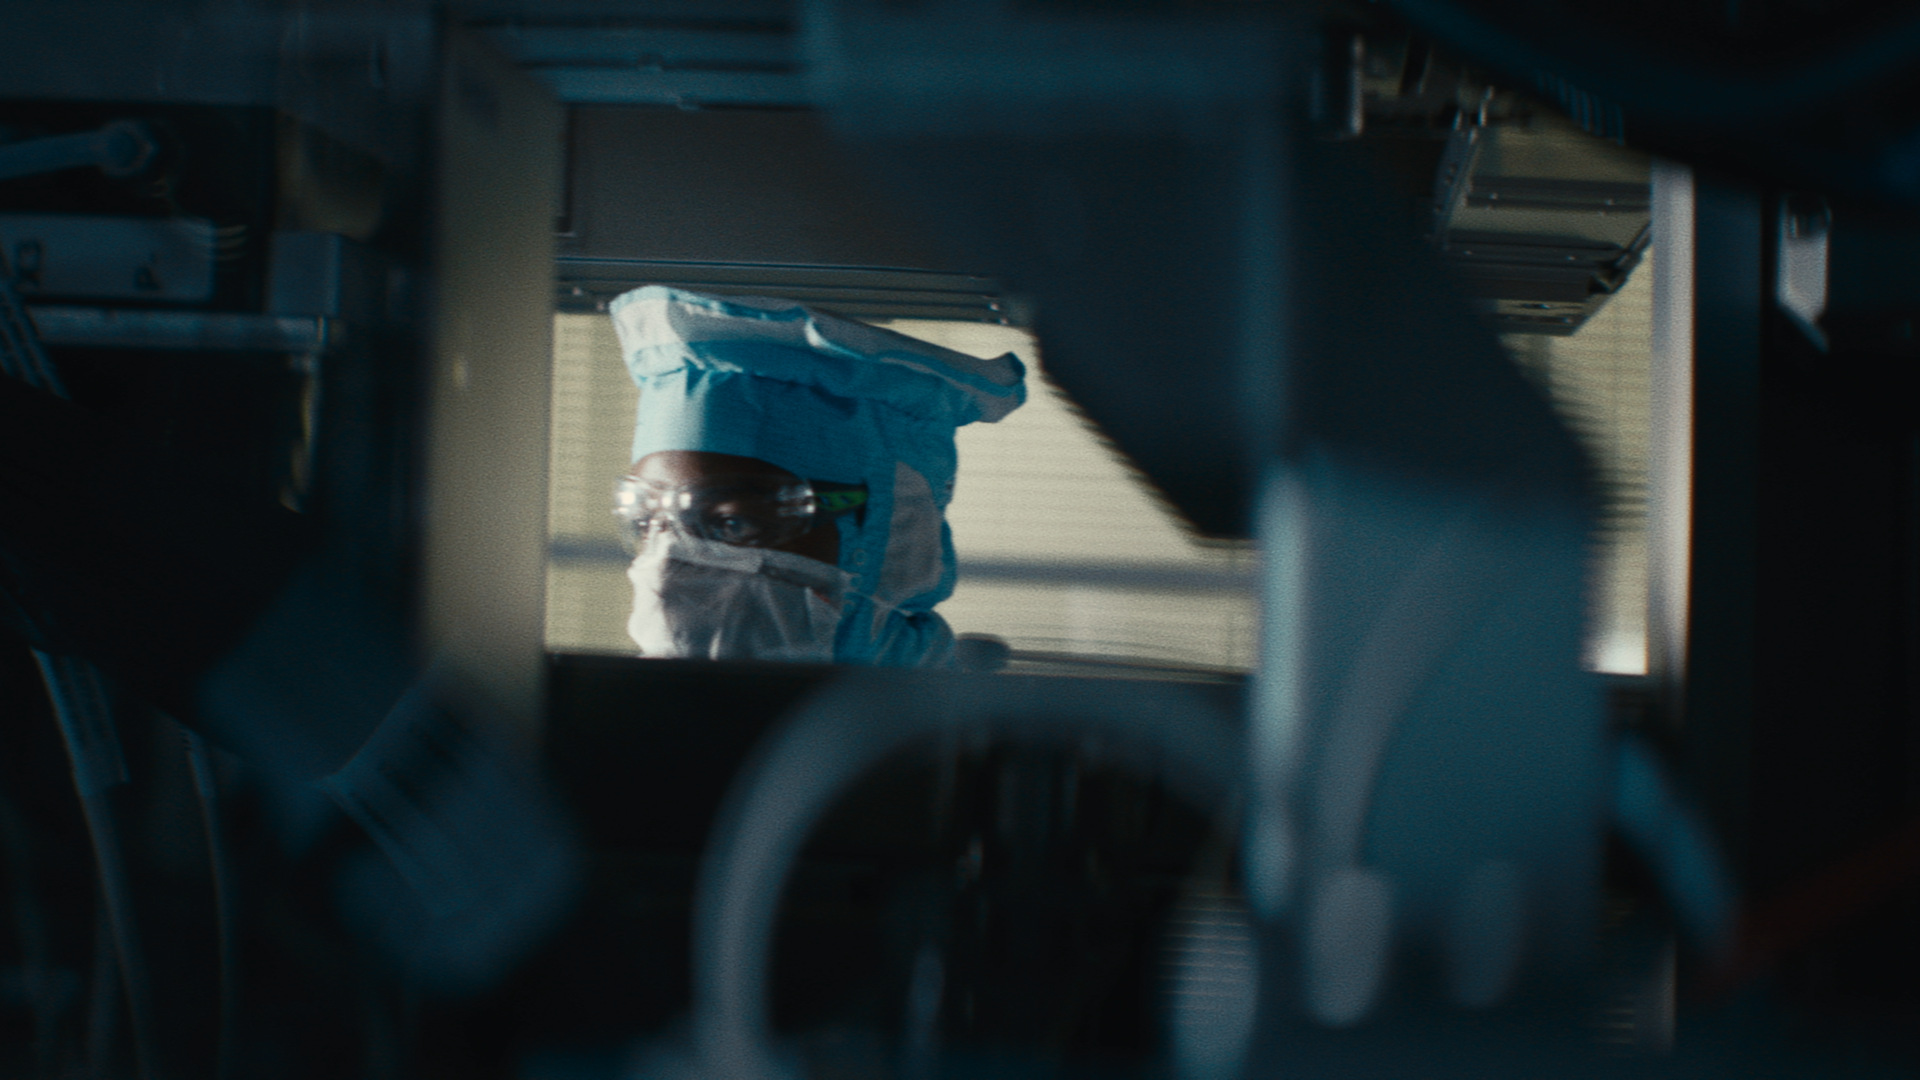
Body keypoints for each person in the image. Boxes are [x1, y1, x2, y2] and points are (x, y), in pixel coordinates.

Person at [608, 285, 1026, 666]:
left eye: (731, 523)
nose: (664, 570)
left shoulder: (964, 735)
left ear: (893, 530)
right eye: (647, 525)